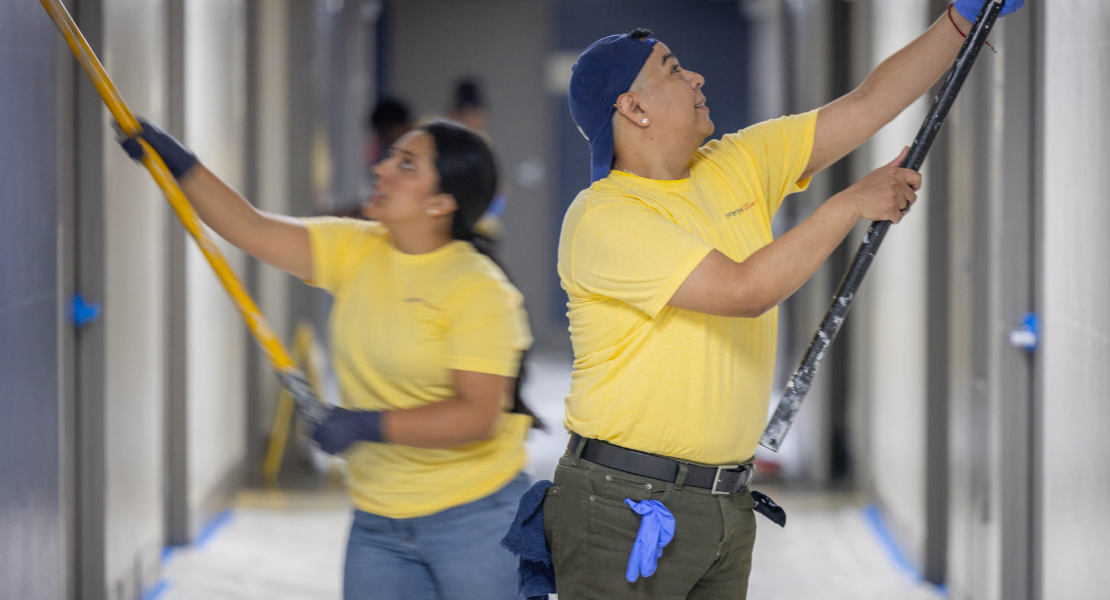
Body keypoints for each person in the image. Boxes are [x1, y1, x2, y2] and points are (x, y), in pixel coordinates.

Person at [547, 1, 1024, 598]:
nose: (695, 78)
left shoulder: (735, 164)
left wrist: (961, 18)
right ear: (632, 107)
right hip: (621, 505)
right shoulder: (605, 218)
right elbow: (744, 289)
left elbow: (867, 105)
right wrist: (849, 204)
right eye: (672, 70)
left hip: (721, 502)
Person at [120, 119, 535, 600]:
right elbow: (250, 227)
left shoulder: (478, 290)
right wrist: (181, 165)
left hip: (477, 518)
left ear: (441, 202)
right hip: (378, 519)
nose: (380, 169)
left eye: (406, 164)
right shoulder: (356, 248)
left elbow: (476, 416)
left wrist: (366, 426)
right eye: (389, 156)